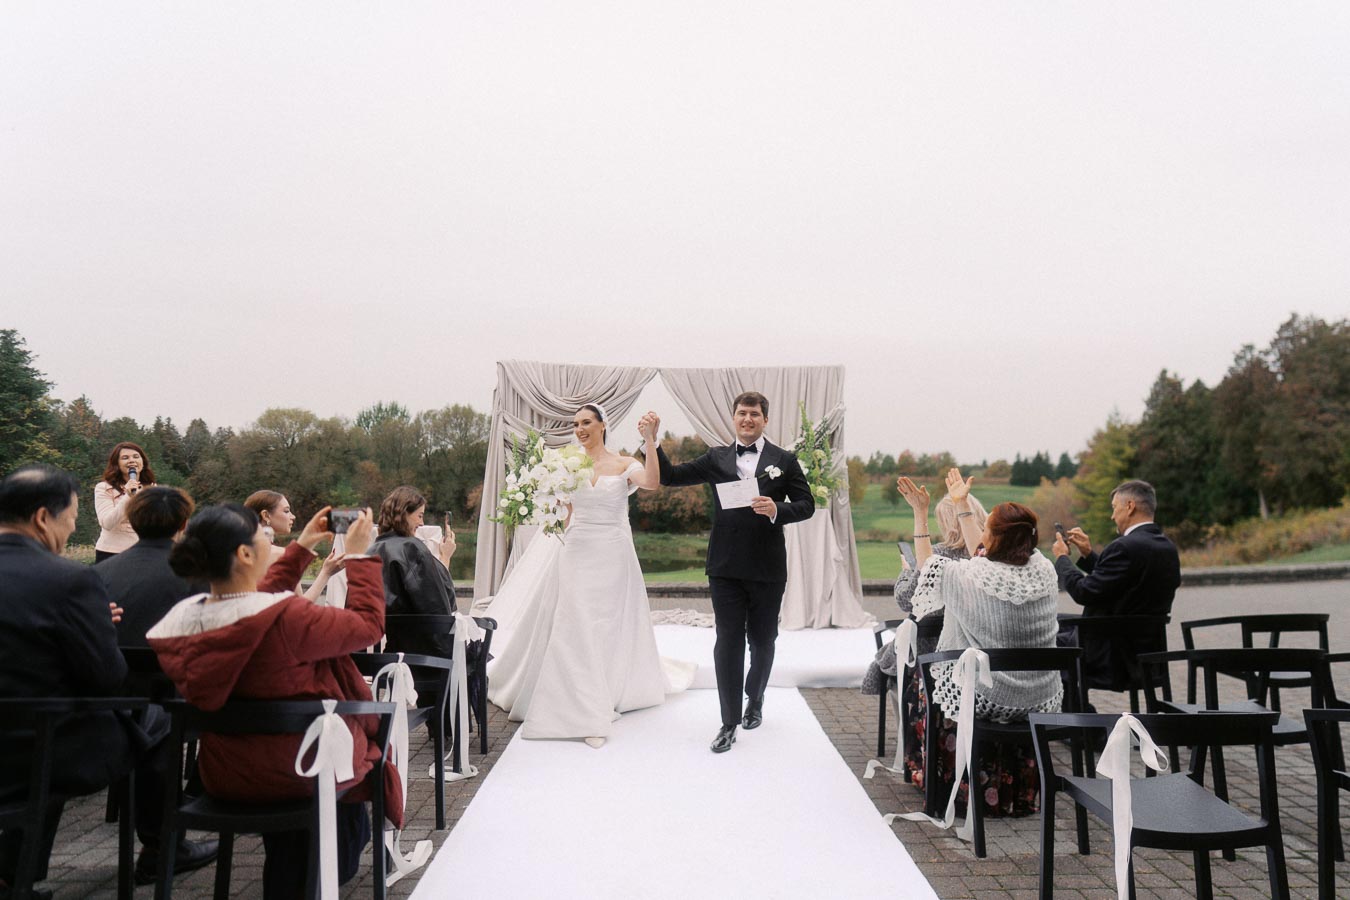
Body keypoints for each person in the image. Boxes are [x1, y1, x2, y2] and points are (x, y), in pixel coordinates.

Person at [147, 503, 399, 900]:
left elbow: (255, 604)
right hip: (302, 770)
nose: (270, 540)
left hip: (227, 773)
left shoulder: (190, 623)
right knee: (355, 802)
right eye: (261, 536)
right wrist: (359, 557)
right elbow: (368, 625)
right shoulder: (289, 621)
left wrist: (301, 547)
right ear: (245, 555)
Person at [0, 465, 216, 896]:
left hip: (14, 737)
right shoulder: (68, 580)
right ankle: (161, 847)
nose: (71, 528)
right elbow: (107, 677)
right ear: (44, 517)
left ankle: (14, 874)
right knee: (155, 720)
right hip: (46, 748)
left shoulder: (93, 576)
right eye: (71, 518)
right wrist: (96, 627)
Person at [486, 403, 696, 748]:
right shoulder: (568, 464)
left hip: (614, 553)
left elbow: (653, 483)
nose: (580, 429)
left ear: (602, 425)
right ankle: (583, 706)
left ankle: (607, 687)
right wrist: (549, 513)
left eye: (586, 422)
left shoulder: (624, 463)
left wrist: (649, 441)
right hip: (577, 551)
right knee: (574, 624)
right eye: (576, 424)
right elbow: (565, 511)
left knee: (606, 625)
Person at [647, 391, 816, 754]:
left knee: (763, 639)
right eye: (742, 413)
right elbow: (671, 476)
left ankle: (755, 697)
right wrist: (653, 442)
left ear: (765, 420)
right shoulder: (717, 457)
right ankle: (728, 722)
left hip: (768, 568)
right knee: (727, 642)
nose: (747, 419)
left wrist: (777, 508)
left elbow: (807, 505)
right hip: (724, 567)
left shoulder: (783, 460)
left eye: (754, 414)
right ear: (733, 418)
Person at [897, 469, 1062, 818]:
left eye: (987, 530)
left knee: (928, 681)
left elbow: (928, 566)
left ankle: (949, 788)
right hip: (1040, 695)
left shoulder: (973, 576)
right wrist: (961, 505)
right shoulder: (1044, 569)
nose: (981, 538)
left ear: (998, 539)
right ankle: (1016, 794)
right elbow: (984, 554)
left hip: (988, 697)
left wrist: (920, 514)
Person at [861, 489, 988, 779]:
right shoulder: (985, 558)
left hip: (927, 653)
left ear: (945, 524)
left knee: (888, 660)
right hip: (971, 650)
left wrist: (906, 572)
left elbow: (908, 601)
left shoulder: (935, 557)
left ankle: (911, 737)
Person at [1052, 479, 1180, 691]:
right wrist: (1087, 554)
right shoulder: (1166, 547)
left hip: (1111, 656)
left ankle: (1076, 715)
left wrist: (1062, 559)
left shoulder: (1123, 547)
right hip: (1144, 650)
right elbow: (1123, 584)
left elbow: (1084, 592)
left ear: (1130, 506)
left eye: (1114, 508)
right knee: (1055, 622)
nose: (1112, 516)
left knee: (1043, 641)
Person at [96, 486, 202, 647]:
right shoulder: (201, 574)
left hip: (114, 668)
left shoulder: (97, 574)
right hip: (176, 668)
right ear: (184, 525)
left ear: (132, 521)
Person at [371, 485, 459, 659]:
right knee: (481, 653)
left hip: (394, 652)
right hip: (425, 658)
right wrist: (445, 558)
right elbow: (441, 609)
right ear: (403, 513)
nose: (422, 523)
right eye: (419, 516)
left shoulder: (372, 550)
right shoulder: (412, 548)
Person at [245, 491, 347, 602]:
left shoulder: (238, 552)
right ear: (265, 515)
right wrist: (326, 572)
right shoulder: (281, 556)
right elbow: (302, 607)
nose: (293, 516)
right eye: (286, 511)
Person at [93, 441, 157, 561]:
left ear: (143, 462)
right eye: (125, 458)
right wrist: (128, 497)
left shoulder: (151, 488)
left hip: (143, 553)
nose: (131, 460)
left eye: (136, 457)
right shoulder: (104, 488)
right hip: (111, 553)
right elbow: (107, 523)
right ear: (116, 463)